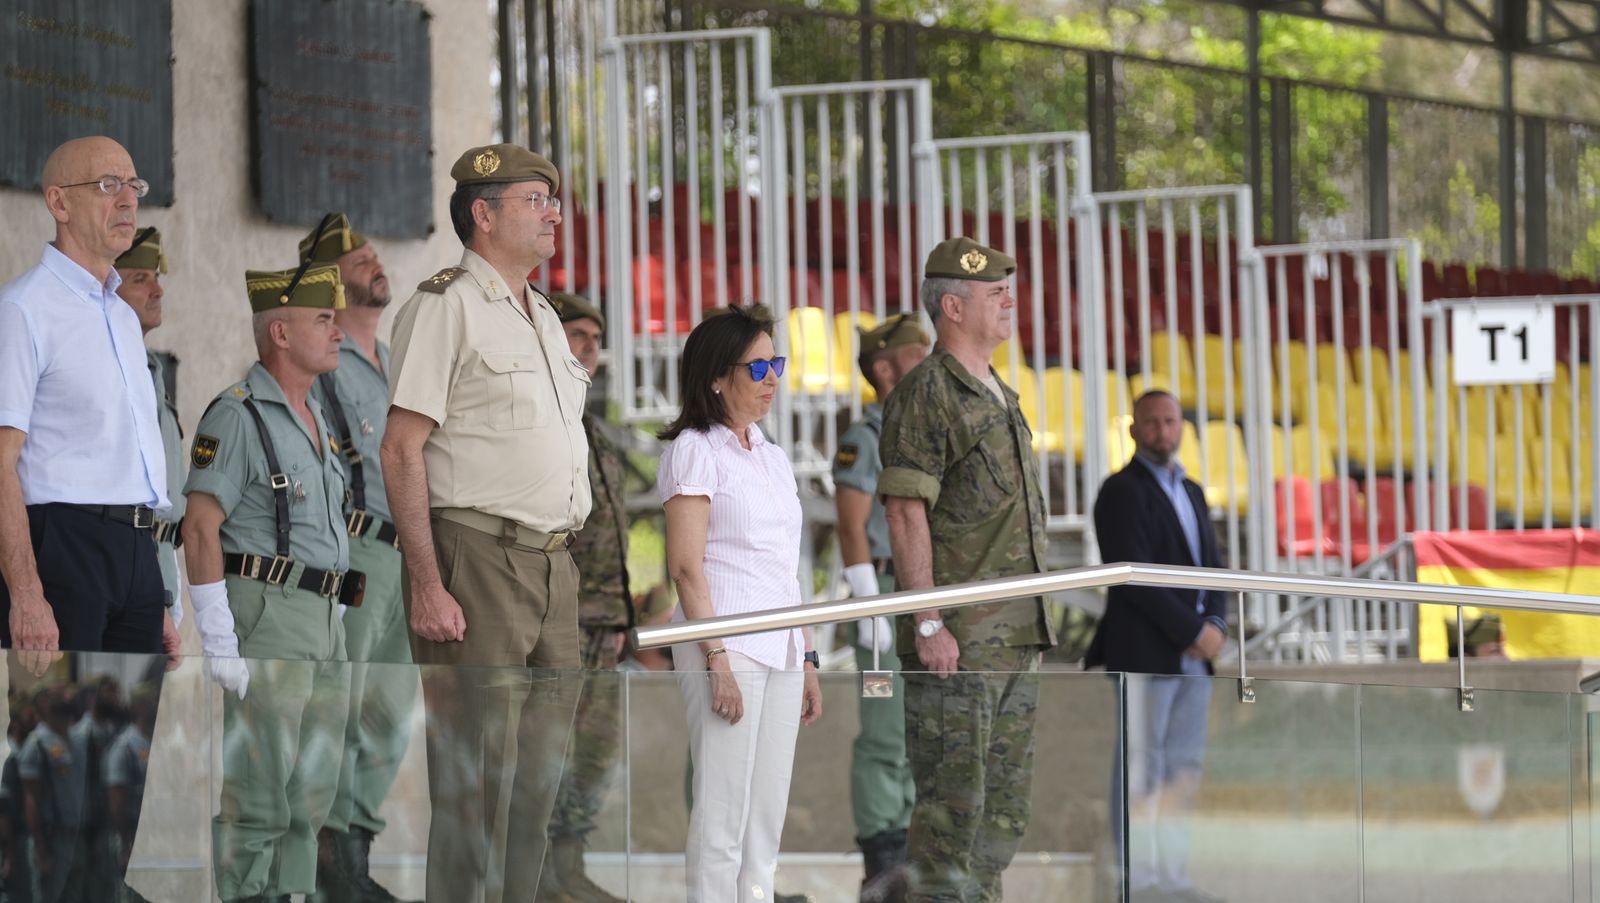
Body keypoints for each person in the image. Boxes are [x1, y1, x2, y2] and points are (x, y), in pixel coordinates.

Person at [381, 144, 588, 902]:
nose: (554, 212)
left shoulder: (545, 316)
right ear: (483, 213)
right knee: (475, 790)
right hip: (478, 558)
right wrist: (427, 582)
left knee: (537, 790)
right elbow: (401, 450)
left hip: (552, 566)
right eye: (536, 199)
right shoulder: (445, 305)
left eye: (551, 199)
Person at [879, 237, 1056, 903]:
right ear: (951, 306)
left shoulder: (1000, 392)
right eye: (993, 292)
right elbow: (904, 511)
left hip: (1015, 637)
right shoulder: (928, 392)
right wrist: (928, 621)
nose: (1009, 300)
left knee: (1001, 821)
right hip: (959, 644)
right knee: (951, 820)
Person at [181, 264, 355, 903]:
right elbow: (201, 529)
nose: (337, 331)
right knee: (260, 791)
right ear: (279, 332)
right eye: (322, 320)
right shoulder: (237, 417)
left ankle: (293, 895)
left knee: (313, 790)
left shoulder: (313, 416)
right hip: (270, 613)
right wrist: (218, 636)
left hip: (325, 616)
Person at [657, 305, 824, 903]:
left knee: (765, 819)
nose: (772, 377)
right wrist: (716, 658)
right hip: (723, 644)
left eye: (775, 363)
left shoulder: (773, 455)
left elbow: (786, 568)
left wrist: (807, 657)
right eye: (757, 367)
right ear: (716, 377)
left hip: (778, 647)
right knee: (723, 813)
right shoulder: (694, 449)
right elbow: (685, 566)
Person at [0, 136, 179, 666]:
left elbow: (126, 463)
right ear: (58, 203)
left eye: (133, 185)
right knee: (55, 740)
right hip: (62, 546)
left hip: (135, 552)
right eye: (107, 185)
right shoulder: (23, 309)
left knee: (128, 746)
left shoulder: (123, 317)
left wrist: (154, 593)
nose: (128, 200)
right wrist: (27, 593)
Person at [299, 213, 419, 903]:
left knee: (389, 712)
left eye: (375, 253)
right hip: (355, 552)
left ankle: (356, 851)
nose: (375, 262)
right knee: (339, 710)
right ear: (329, 283)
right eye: (359, 259)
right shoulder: (324, 363)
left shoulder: (395, 360)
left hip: (409, 557)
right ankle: (329, 866)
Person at [1085, 389, 1227, 903]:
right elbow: (1134, 574)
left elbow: (1213, 566)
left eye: (1170, 422)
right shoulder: (1120, 491)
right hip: (1147, 654)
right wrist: (1192, 633)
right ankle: (1137, 879)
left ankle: (1172, 875)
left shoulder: (1191, 490)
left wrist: (1215, 624)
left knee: (1183, 769)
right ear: (1133, 430)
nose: (1162, 431)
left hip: (1194, 660)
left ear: (1183, 427)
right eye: (1152, 422)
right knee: (1142, 769)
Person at [537, 292, 631, 903]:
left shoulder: (591, 425)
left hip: (603, 622)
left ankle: (568, 870)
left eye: (596, 336)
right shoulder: (540, 420)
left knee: (594, 755)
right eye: (577, 333)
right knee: (552, 750)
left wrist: (622, 614)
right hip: (559, 622)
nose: (590, 346)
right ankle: (541, 875)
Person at [833, 314, 929, 902]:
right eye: (917, 354)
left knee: (918, 731)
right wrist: (869, 604)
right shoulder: (865, 435)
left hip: (923, 597)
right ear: (885, 366)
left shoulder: (922, 430)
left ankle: (912, 850)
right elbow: (851, 528)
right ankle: (881, 854)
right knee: (883, 736)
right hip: (885, 595)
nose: (928, 362)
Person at [112, 227, 187, 632]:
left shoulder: (153, 370)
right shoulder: (101, 365)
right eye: (140, 279)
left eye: (156, 279)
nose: (157, 291)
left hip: (158, 568)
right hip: (115, 564)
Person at [18, 685, 89, 903]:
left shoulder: (76, 739)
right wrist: (41, 849)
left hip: (76, 836)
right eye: (52, 698)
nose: (60, 700)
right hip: (51, 838)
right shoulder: (37, 744)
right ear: (42, 709)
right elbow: (31, 800)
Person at [105, 685, 157, 903]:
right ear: (138, 707)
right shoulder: (125, 746)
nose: (155, 706)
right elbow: (117, 799)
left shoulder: (157, 741)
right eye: (150, 702)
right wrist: (126, 844)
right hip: (132, 834)